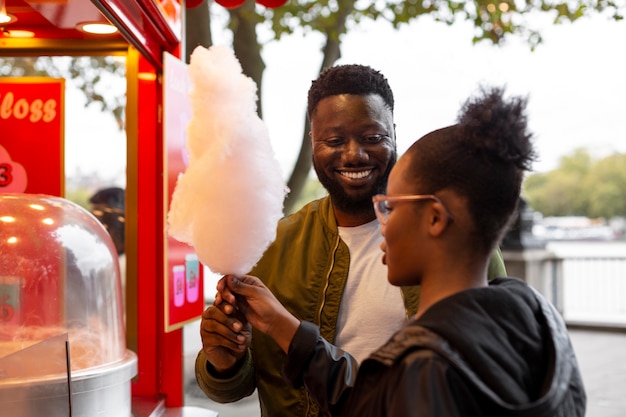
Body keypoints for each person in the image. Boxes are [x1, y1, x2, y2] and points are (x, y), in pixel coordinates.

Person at [215, 85, 587, 416]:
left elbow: (377, 400)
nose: (383, 225)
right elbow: (367, 397)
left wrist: (287, 331)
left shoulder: (427, 368)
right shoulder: (533, 310)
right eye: (333, 139)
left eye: (390, 207)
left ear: (436, 218)